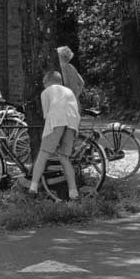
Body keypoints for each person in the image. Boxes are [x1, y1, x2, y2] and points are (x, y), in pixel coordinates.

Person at [27, 69, 80, 200]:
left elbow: (47, 115)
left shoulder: (46, 92)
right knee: (64, 157)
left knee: (43, 154)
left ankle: (33, 186)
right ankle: (73, 192)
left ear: (47, 82)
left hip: (57, 120)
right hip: (72, 121)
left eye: (43, 83)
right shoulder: (69, 91)